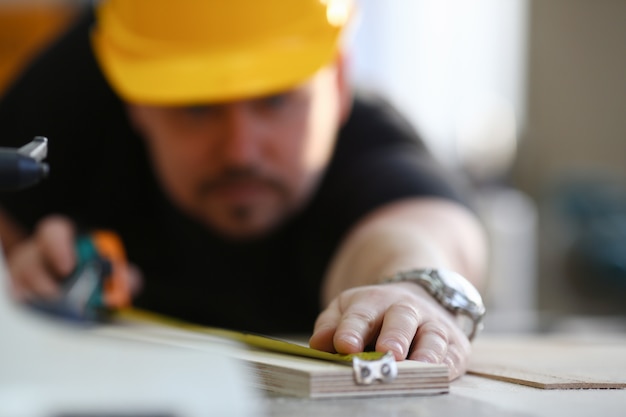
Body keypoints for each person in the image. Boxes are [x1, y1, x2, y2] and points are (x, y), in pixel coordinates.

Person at [0, 0, 487, 380]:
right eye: (194, 107)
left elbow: (427, 226)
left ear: (338, 83)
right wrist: (19, 273)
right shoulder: (64, 98)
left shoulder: (370, 146)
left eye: (274, 100)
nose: (239, 151)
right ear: (134, 100)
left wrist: (411, 290)